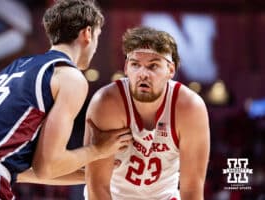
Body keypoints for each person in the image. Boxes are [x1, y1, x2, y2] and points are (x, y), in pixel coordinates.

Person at [0, 0, 132, 199]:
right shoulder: (69, 77)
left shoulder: (16, 67)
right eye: (97, 36)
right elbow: (47, 166)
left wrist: (91, 175)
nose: (95, 47)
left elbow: (28, 171)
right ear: (87, 33)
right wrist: (97, 149)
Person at [84, 26, 210, 200]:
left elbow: (191, 189)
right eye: (135, 64)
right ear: (126, 67)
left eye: (153, 66)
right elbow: (97, 185)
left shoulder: (190, 108)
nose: (143, 74)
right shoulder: (107, 103)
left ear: (170, 71)